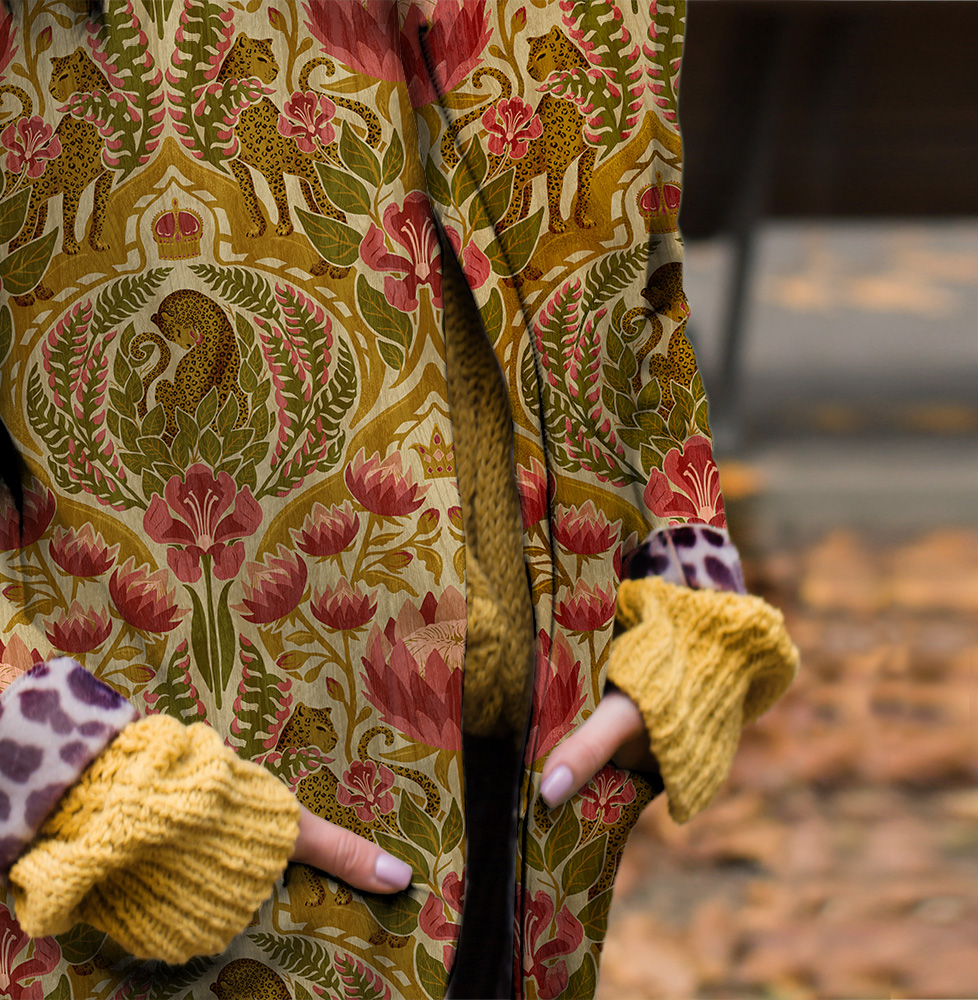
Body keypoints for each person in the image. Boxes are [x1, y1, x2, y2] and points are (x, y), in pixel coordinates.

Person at [0, 2, 798, 998]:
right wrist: (52, 758)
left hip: (525, 834)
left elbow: (633, 264)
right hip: (139, 858)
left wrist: (679, 570)